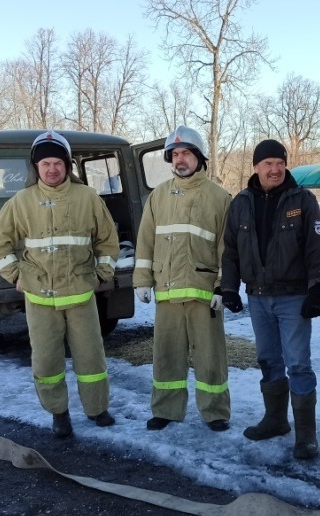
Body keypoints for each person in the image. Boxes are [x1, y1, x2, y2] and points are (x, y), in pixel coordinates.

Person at [0, 130, 120, 438]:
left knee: (91, 358)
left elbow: (108, 241)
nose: (51, 169)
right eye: (45, 163)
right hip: (39, 298)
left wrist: (102, 273)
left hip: (79, 294)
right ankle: (59, 413)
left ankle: (97, 408)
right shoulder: (21, 202)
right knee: (47, 361)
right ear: (35, 167)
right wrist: (16, 275)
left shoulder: (87, 197)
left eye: (57, 163)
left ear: (68, 165)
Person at [221, 139, 320, 460]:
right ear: (255, 167)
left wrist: (317, 288)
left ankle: (306, 435)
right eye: (267, 163)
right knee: (268, 360)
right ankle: (276, 420)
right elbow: (230, 251)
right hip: (258, 297)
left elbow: (316, 248)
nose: (275, 169)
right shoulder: (240, 203)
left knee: (298, 363)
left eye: (280, 163)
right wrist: (229, 288)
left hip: (293, 298)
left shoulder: (303, 199)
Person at [132, 125, 232, 432]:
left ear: (199, 158)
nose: (180, 160)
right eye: (175, 154)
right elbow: (145, 240)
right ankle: (165, 409)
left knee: (210, 357)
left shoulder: (219, 197)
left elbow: (227, 248)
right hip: (167, 292)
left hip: (205, 295)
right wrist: (141, 279)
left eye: (186, 153)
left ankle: (215, 412)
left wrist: (223, 286)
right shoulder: (158, 197)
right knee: (166, 356)